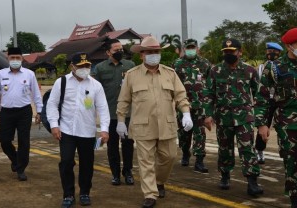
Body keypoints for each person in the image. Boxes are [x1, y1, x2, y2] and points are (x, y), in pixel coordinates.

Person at [116, 36, 193, 208]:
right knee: (146, 161)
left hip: (167, 124)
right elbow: (123, 101)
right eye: (150, 52)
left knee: (170, 156)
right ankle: (150, 194)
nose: (154, 55)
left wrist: (186, 113)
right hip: (143, 125)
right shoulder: (131, 75)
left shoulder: (170, 73)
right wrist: (120, 121)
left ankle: (159, 181)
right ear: (142, 55)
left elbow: (181, 96)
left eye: (156, 52)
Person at [46, 52, 110, 208]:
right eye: (81, 66)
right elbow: (52, 104)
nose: (85, 69)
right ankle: (68, 195)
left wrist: (104, 129)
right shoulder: (61, 82)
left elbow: (103, 108)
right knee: (66, 162)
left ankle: (84, 193)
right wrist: (54, 125)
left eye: (87, 66)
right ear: (72, 67)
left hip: (87, 131)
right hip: (66, 130)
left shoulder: (96, 85)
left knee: (87, 164)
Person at [203, 38, 263, 196]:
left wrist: (260, 117)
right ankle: (224, 176)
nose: (229, 54)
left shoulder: (250, 71)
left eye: (232, 52)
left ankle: (252, 181)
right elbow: (209, 94)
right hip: (223, 117)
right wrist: (208, 115)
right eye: (226, 52)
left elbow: (259, 95)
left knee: (247, 149)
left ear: (240, 52)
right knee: (224, 149)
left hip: (245, 117)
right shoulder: (215, 71)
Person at [255, 28, 297, 207]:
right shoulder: (274, 67)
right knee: (292, 164)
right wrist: (262, 124)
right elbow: (263, 97)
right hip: (289, 126)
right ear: (289, 45)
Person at [0, 47, 42, 181]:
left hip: (24, 112)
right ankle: (15, 159)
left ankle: (21, 168)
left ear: (22, 59)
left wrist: (39, 111)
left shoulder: (29, 74)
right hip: (6, 112)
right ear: (8, 58)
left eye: (18, 58)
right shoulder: (0, 74)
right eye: (12, 58)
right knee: (4, 140)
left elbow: (36, 94)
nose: (15, 60)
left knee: (24, 141)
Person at [94, 39, 135, 185]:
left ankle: (128, 172)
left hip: (127, 114)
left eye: (121, 49)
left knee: (128, 145)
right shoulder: (100, 68)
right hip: (109, 114)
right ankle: (115, 174)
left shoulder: (130, 66)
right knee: (112, 147)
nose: (119, 52)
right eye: (116, 50)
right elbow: (95, 90)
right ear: (108, 52)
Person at [173, 38, 211, 173]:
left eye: (193, 47)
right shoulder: (177, 64)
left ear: (197, 48)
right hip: (183, 105)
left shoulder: (205, 63)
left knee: (200, 133)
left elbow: (210, 83)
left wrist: (209, 107)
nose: (191, 50)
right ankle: (185, 152)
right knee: (184, 133)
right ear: (184, 49)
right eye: (188, 48)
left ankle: (199, 160)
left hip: (200, 105)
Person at [254, 42, 283, 164]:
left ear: (279, 53)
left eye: (274, 52)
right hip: (267, 101)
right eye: (269, 51)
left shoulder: (283, 66)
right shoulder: (261, 67)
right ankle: (259, 150)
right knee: (264, 126)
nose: (271, 53)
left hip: (280, 101)